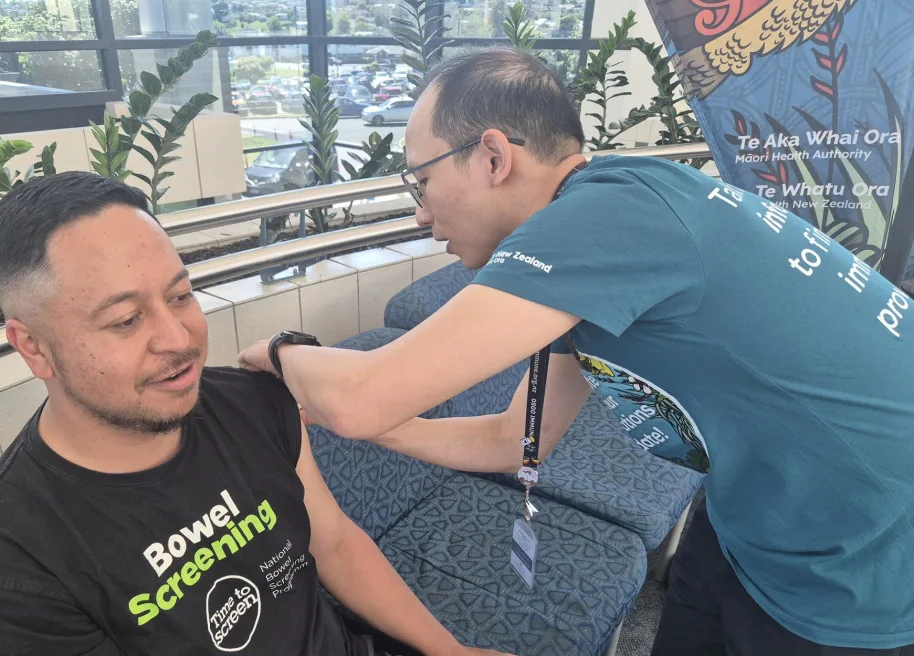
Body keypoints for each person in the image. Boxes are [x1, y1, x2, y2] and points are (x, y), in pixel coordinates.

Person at [238, 48, 914, 655]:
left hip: (857, 549)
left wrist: (281, 350)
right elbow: (513, 440)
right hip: (753, 513)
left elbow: (361, 397)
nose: (419, 214)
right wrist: (387, 425)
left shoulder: (596, 223)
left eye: (420, 182)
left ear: (494, 157)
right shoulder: (601, 220)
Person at [0, 171, 506, 656]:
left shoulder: (253, 402)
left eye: (180, 296)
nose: (178, 338)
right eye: (125, 321)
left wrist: (448, 649)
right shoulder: (4, 572)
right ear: (33, 347)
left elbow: (332, 543)